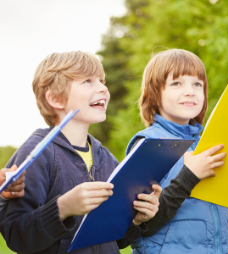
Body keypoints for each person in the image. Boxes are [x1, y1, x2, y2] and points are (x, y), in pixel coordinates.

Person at [0, 51, 161, 254]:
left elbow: (116, 240)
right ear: (56, 98)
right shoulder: (37, 153)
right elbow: (17, 236)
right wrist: (63, 208)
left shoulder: (106, 158)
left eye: (102, 81)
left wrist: (136, 220)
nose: (103, 88)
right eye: (88, 81)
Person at [125, 49, 228, 254]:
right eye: (176, 83)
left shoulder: (209, 143)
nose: (190, 91)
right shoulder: (149, 143)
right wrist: (190, 175)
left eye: (197, 84)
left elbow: (218, 214)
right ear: (154, 95)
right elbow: (141, 227)